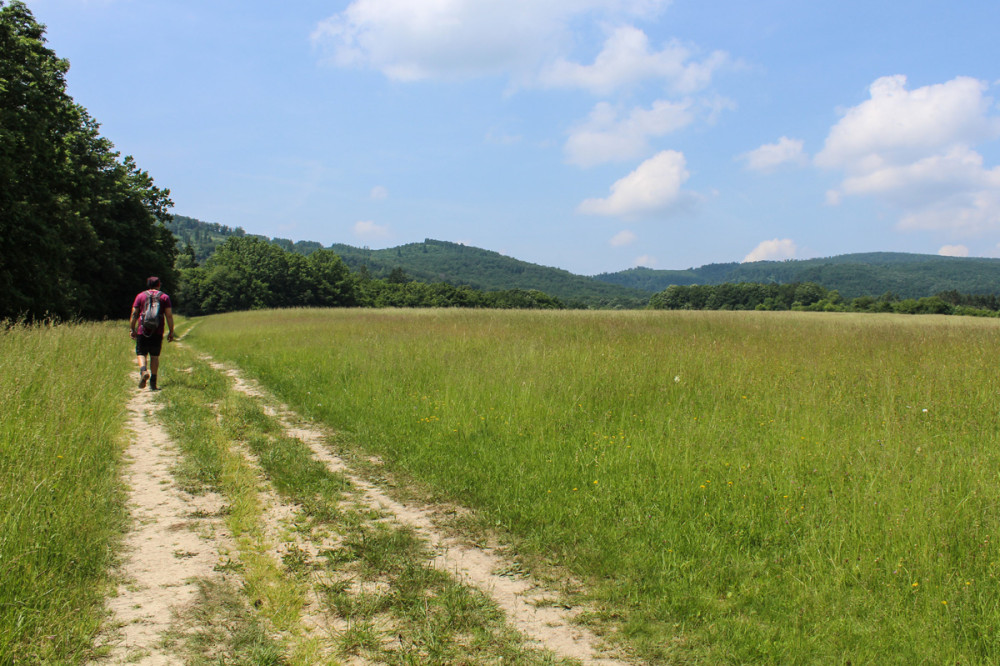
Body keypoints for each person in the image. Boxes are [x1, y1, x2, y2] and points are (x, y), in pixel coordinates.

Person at [130, 276, 175, 391]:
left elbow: (134, 313)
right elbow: (169, 315)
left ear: (148, 285)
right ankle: (153, 384)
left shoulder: (140, 296)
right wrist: (171, 331)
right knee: (154, 356)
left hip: (142, 330)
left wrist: (132, 328)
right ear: (159, 284)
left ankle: (143, 371)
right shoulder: (164, 297)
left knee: (141, 353)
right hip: (157, 330)